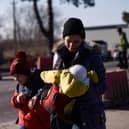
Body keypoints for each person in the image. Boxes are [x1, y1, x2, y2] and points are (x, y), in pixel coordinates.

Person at [52, 17, 107, 129]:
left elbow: (103, 85)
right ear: (63, 38)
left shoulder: (92, 55)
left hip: (89, 116)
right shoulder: (58, 55)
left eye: (76, 41)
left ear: (82, 39)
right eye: (68, 41)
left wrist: (82, 89)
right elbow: (52, 80)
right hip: (64, 116)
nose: (72, 45)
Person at [10, 51, 49, 129]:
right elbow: (13, 102)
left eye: (18, 76)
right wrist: (17, 100)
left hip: (38, 124)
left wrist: (36, 99)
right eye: (14, 77)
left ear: (26, 73)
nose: (16, 79)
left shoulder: (39, 81)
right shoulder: (19, 86)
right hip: (23, 123)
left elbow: (48, 92)